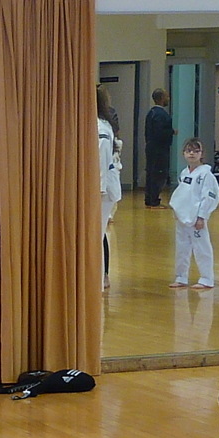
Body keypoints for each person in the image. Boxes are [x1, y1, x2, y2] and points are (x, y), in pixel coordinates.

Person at [168, 137, 219, 290]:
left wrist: (202, 216)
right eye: (189, 151)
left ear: (202, 154)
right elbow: (181, 195)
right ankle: (181, 277)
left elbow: (209, 197)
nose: (192, 154)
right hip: (183, 218)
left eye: (196, 151)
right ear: (183, 153)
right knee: (182, 249)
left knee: (202, 248)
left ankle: (206, 278)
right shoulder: (184, 173)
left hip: (197, 218)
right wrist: (177, 210)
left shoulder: (206, 175)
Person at [98, 85, 122, 290]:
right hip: (101, 187)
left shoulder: (101, 127)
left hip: (103, 190)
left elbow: (102, 158)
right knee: (97, 234)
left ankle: (98, 281)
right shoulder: (100, 124)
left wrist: (100, 187)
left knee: (96, 234)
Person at [144, 88, 175, 209]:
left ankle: (149, 199)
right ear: (161, 98)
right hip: (160, 149)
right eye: (166, 96)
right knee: (159, 174)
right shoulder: (161, 115)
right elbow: (160, 132)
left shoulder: (151, 113)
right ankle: (154, 200)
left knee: (151, 173)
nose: (168, 99)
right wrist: (171, 132)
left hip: (151, 147)